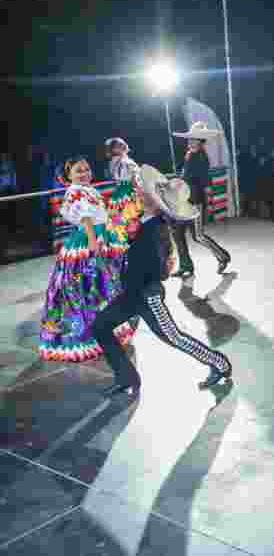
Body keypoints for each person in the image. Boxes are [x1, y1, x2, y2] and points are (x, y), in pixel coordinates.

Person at [92, 165, 232, 398]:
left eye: (143, 190)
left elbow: (156, 269)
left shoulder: (155, 228)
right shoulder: (140, 220)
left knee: (174, 337)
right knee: (101, 326)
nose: (138, 190)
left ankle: (219, 362)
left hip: (148, 295)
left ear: (154, 201)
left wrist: (124, 268)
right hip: (133, 293)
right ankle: (126, 377)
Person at [39, 157, 136, 362]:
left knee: (101, 285)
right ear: (69, 176)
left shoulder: (89, 190)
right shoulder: (74, 191)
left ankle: (103, 327)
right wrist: (93, 242)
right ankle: (86, 331)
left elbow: (100, 216)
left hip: (101, 236)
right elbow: (85, 219)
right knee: (86, 285)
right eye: (78, 171)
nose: (84, 174)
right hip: (88, 241)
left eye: (87, 169)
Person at [170, 122, 231, 278]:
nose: (189, 142)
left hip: (195, 201)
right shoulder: (190, 154)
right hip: (184, 201)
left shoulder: (201, 157)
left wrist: (208, 201)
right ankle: (186, 266)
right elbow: (186, 177)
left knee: (198, 236)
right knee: (177, 233)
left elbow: (205, 181)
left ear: (200, 141)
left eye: (193, 139)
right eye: (189, 139)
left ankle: (223, 257)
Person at [104, 137, 142, 242]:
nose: (124, 145)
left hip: (119, 193)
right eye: (120, 145)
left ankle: (124, 242)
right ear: (114, 150)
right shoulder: (126, 162)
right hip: (129, 191)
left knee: (120, 221)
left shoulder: (112, 162)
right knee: (133, 219)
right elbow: (135, 180)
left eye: (123, 144)